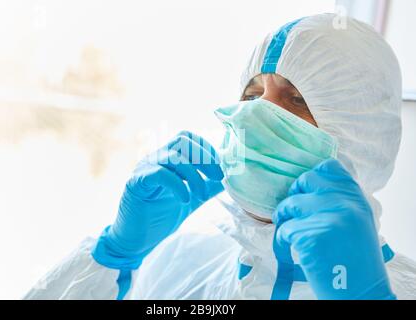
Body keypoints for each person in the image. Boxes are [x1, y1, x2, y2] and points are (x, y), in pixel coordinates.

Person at [24, 13, 416, 300]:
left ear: (364, 136)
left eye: (296, 99)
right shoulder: (181, 261)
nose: (255, 114)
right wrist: (112, 257)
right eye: (251, 95)